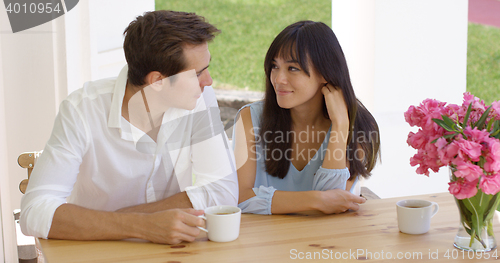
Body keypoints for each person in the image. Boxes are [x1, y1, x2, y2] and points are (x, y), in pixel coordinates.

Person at [20, 10, 238, 245]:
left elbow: (222, 191)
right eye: (197, 74)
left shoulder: (199, 97)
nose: (208, 81)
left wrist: (116, 221)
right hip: (94, 252)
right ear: (156, 81)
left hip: (168, 252)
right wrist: (142, 226)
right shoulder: (82, 110)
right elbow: (34, 212)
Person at [233, 21, 380, 215]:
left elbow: (333, 206)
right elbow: (239, 197)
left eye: (293, 68)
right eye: (275, 66)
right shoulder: (250, 118)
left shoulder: (359, 126)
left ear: (325, 72)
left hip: (329, 242)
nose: (278, 79)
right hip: (265, 239)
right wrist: (316, 199)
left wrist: (341, 125)